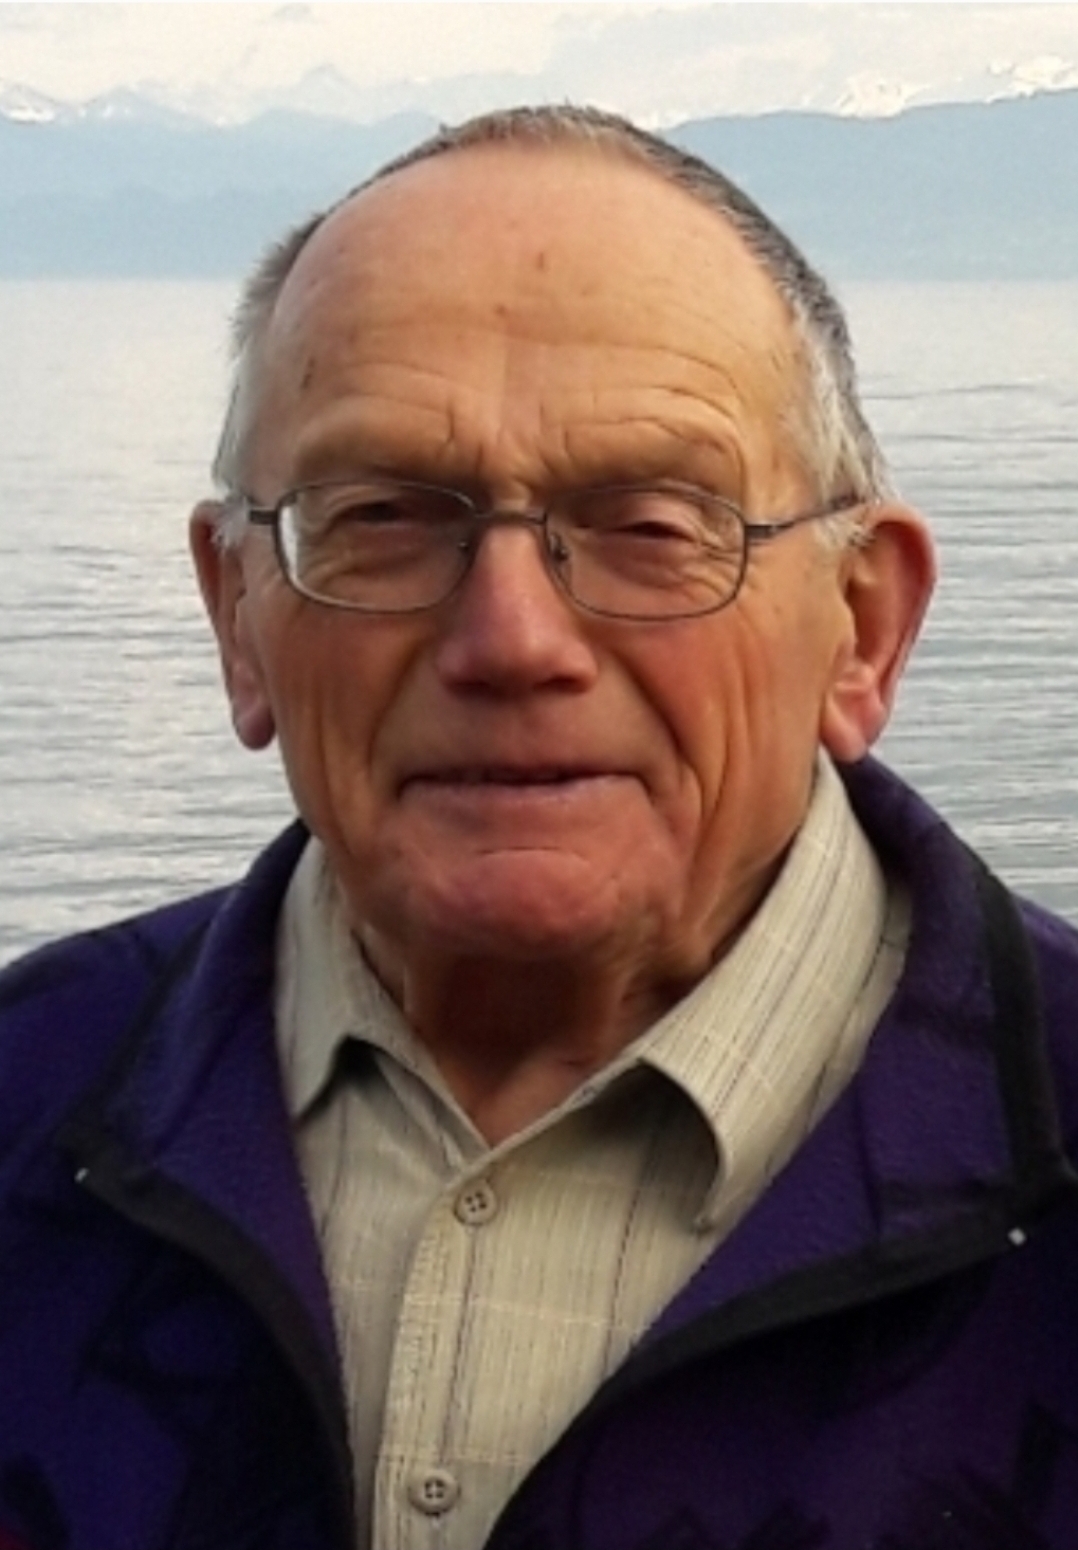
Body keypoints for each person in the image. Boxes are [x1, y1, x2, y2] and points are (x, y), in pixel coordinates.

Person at [2, 102, 1078, 1550]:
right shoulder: (26, 1104)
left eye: (653, 523)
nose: (511, 638)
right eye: (380, 516)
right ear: (236, 616)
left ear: (861, 628)